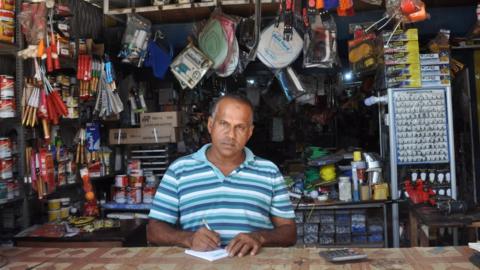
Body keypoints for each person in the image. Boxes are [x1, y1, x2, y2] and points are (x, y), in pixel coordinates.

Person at [147, 94, 296, 257]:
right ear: (210, 125)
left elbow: (289, 232)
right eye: (224, 124)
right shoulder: (180, 170)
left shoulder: (269, 171)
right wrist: (189, 238)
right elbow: (154, 230)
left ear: (250, 132)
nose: (230, 135)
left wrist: (259, 237)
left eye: (240, 127)